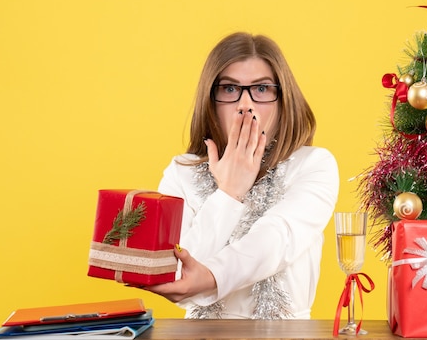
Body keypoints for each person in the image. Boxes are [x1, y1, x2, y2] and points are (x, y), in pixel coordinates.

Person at [145, 32, 340, 319]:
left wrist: (212, 278)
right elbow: (178, 275)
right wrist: (228, 192)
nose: (245, 104)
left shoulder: (313, 165)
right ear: (211, 100)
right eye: (229, 89)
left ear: (282, 100)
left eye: (261, 89)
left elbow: (278, 238)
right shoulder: (181, 172)